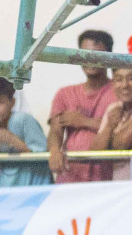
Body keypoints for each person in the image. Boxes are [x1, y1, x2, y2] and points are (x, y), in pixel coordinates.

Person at [48, 29, 116, 182]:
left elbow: (121, 131)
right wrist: (54, 151)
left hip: (107, 182)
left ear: (110, 57)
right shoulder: (64, 94)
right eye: (84, 54)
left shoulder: (120, 91)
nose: (89, 59)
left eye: (96, 54)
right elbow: (55, 131)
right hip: (69, 179)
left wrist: (83, 121)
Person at [0, 77, 49, 187]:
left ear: (12, 102)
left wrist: (12, 140)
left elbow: (44, 158)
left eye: (0, 102)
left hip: (36, 185)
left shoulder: (23, 120)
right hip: (7, 189)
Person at [91, 68, 132, 179]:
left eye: (131, 78)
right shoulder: (113, 109)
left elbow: (120, 143)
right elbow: (95, 153)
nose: (125, 85)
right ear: (113, 84)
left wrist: (109, 141)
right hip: (119, 184)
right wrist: (109, 127)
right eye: (119, 80)